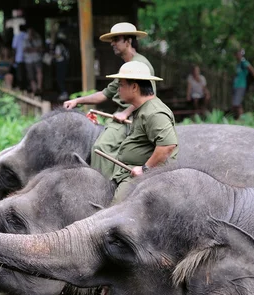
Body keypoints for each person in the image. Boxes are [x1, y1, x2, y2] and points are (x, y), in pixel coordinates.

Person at [63, 22, 156, 179]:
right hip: (121, 116)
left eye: (116, 39)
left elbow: (148, 96)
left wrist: (126, 113)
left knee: (101, 147)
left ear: (128, 41)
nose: (112, 43)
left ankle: (104, 188)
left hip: (135, 118)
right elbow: (105, 94)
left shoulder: (141, 64)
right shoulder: (127, 66)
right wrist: (77, 101)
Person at [102, 61, 178, 202]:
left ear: (135, 87)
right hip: (131, 171)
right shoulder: (143, 108)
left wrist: (145, 169)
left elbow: (167, 146)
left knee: (115, 210)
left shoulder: (154, 112)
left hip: (148, 176)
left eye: (121, 85)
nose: (118, 90)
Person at [232, 48, 254, 119]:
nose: (237, 56)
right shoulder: (238, 65)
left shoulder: (244, 62)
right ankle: (239, 118)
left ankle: (241, 119)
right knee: (236, 103)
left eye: (238, 54)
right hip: (236, 86)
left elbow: (253, 71)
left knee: (237, 103)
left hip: (241, 85)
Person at [24, 27, 43, 94]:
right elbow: (25, 49)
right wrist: (35, 49)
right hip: (28, 60)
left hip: (37, 58)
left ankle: (39, 88)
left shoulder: (37, 39)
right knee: (31, 75)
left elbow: (41, 48)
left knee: (39, 72)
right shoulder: (25, 40)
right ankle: (34, 90)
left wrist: (32, 49)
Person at [54, 32, 70, 101]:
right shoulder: (65, 46)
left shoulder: (58, 46)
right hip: (65, 63)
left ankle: (63, 93)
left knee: (60, 78)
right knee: (62, 78)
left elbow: (58, 55)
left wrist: (52, 56)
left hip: (60, 63)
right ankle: (64, 93)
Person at [11, 24, 28, 90]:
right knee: (26, 73)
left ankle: (20, 87)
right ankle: (26, 87)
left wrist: (13, 57)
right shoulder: (27, 36)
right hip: (28, 58)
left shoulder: (17, 36)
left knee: (19, 74)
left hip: (19, 57)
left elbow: (14, 48)